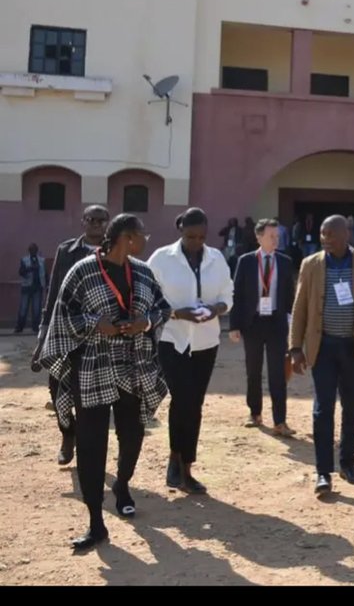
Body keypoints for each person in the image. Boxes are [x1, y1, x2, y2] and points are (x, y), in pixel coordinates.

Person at [38, 214, 171, 552]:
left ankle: (122, 485)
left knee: (133, 435)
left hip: (132, 366)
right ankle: (96, 522)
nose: (146, 240)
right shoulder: (82, 271)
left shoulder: (143, 272)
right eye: (142, 235)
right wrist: (96, 323)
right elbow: (64, 316)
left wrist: (145, 322)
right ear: (127, 237)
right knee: (91, 444)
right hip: (92, 367)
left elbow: (163, 308)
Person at [290, 215, 354, 496]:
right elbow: (300, 308)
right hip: (322, 347)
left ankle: (347, 462)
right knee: (323, 408)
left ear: (345, 235)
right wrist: (295, 348)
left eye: (331, 235)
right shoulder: (311, 265)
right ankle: (323, 472)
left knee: (352, 407)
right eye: (322, 234)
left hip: (353, 348)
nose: (325, 239)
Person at [147, 207, 234, 495]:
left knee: (194, 404)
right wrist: (177, 313)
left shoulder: (216, 258)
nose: (196, 242)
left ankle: (187, 467)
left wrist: (216, 308)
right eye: (190, 237)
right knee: (182, 398)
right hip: (172, 340)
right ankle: (175, 457)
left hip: (206, 342)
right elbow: (148, 297)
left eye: (201, 237)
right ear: (180, 231)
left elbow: (228, 294)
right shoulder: (161, 258)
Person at [34, 205, 111, 466]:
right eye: (91, 219)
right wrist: (44, 333)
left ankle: (89, 450)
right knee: (56, 385)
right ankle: (68, 435)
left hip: (100, 334)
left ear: (108, 223)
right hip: (66, 329)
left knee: (93, 394)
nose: (97, 224)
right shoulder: (66, 250)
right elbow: (54, 292)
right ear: (83, 222)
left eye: (102, 220)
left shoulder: (114, 250)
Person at [229, 218, 297, 437]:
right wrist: (234, 325)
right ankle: (255, 412)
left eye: (277, 236)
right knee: (253, 371)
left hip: (277, 323)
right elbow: (237, 294)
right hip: (253, 323)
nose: (275, 240)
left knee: (278, 373)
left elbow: (290, 295)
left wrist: (293, 323)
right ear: (259, 237)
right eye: (271, 236)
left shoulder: (285, 262)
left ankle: (280, 420)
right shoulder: (246, 261)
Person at [16, 243, 46, 334]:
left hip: (38, 287)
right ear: (29, 251)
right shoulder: (24, 260)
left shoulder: (42, 260)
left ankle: (36, 327)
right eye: (32, 250)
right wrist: (30, 268)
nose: (33, 251)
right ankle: (19, 327)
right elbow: (21, 272)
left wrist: (47, 284)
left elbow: (45, 273)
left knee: (37, 309)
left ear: (37, 251)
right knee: (23, 308)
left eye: (34, 250)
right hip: (27, 287)